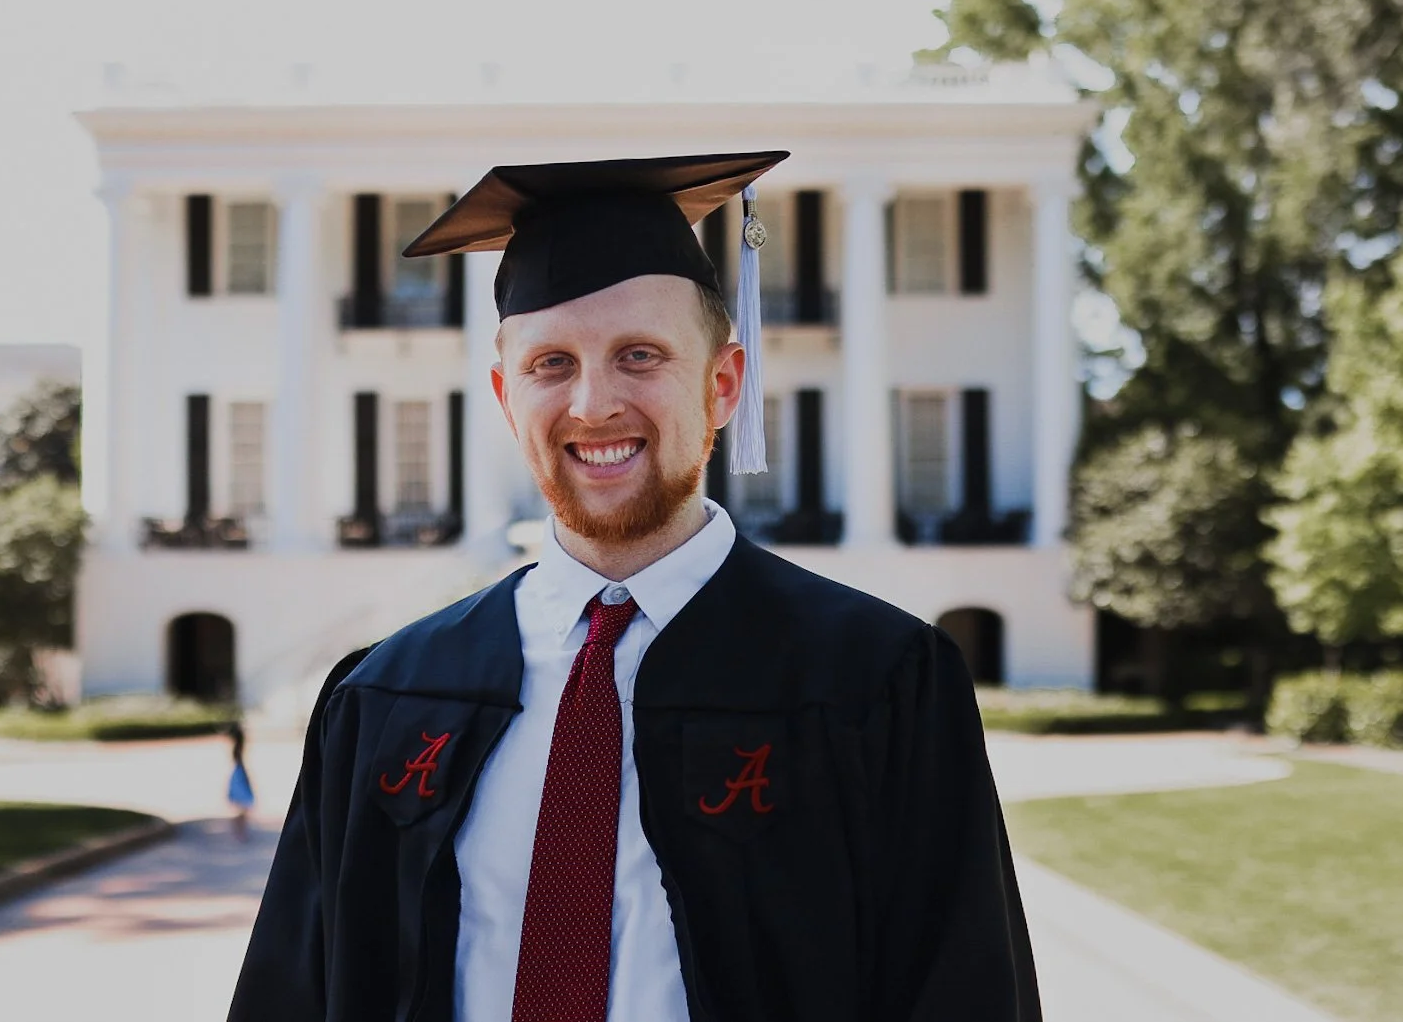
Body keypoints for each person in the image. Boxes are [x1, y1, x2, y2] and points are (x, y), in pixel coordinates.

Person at [228, 151, 1041, 1022]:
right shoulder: (386, 697)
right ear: (506, 397)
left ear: (721, 383)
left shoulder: (876, 682)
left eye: (639, 354)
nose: (591, 404)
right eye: (550, 365)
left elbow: (965, 991)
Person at [226, 720, 255, 842]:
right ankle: (240, 833)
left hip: (238, 775)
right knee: (242, 809)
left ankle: (239, 832)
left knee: (240, 808)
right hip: (239, 776)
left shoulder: (236, 750)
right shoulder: (238, 750)